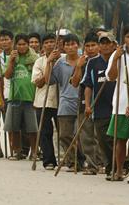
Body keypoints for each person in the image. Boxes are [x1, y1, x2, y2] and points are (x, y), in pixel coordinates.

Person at [46, 33, 85, 171]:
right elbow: (49, 80)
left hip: (83, 102)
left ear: (78, 45)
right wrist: (48, 62)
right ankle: (75, 161)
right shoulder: (60, 62)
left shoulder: (85, 60)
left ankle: (82, 160)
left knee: (81, 135)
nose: (70, 47)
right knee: (64, 135)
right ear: (63, 47)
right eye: (67, 44)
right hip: (65, 102)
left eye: (72, 44)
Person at [82, 32, 117, 179]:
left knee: (117, 139)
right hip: (100, 108)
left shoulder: (120, 60)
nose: (105, 45)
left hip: (117, 107)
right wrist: (88, 105)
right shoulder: (93, 62)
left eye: (108, 43)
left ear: (114, 45)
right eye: (102, 43)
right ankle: (111, 165)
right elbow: (88, 86)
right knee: (103, 140)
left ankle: (120, 165)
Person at [71, 31, 102, 175]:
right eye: (88, 46)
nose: (90, 48)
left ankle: (103, 163)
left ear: (99, 46)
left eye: (93, 45)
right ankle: (91, 165)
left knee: (100, 136)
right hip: (84, 104)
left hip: (103, 104)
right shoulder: (82, 61)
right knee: (86, 137)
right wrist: (78, 67)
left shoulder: (105, 60)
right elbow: (75, 83)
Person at [4, 33, 39, 160]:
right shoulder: (12, 58)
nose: (22, 47)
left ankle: (34, 152)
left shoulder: (35, 58)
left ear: (28, 45)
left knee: (32, 128)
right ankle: (17, 151)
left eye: (24, 44)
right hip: (14, 97)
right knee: (14, 127)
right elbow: (7, 75)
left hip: (30, 97)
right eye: (19, 44)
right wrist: (12, 61)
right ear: (15, 45)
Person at [108, 25, 129, 181]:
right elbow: (111, 77)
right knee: (120, 139)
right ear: (124, 38)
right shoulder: (117, 54)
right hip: (121, 102)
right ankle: (119, 171)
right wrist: (116, 58)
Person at [31, 33, 58, 169]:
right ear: (43, 45)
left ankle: (72, 158)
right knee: (44, 132)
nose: (49, 45)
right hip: (43, 101)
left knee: (65, 132)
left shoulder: (64, 59)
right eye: (46, 42)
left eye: (52, 42)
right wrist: (48, 64)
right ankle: (49, 160)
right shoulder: (39, 61)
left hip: (60, 100)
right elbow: (39, 83)